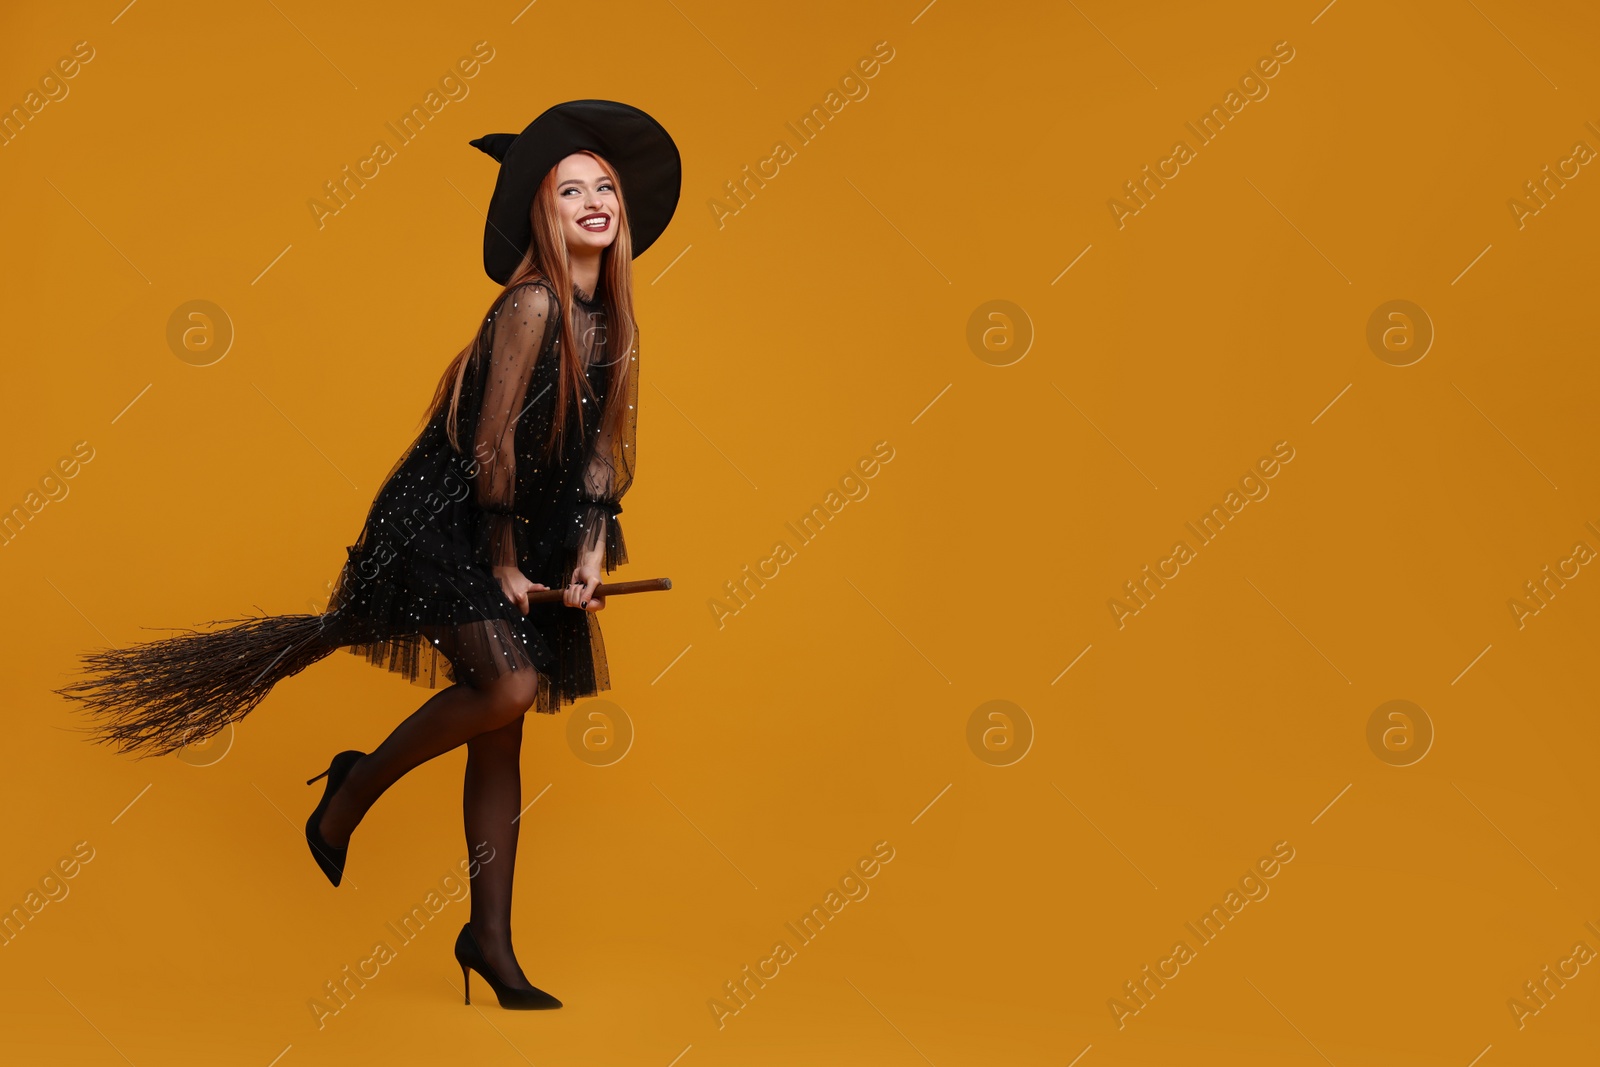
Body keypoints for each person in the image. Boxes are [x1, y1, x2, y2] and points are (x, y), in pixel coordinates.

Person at [52, 100, 683, 1011]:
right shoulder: (532, 303)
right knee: (504, 688)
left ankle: (490, 943)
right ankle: (355, 783)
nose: (594, 201)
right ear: (544, 217)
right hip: (446, 519)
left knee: (501, 730)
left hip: (530, 526)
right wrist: (505, 561)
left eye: (605, 187)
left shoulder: (614, 324)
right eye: (570, 189)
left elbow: (596, 459)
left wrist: (587, 553)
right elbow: (492, 446)